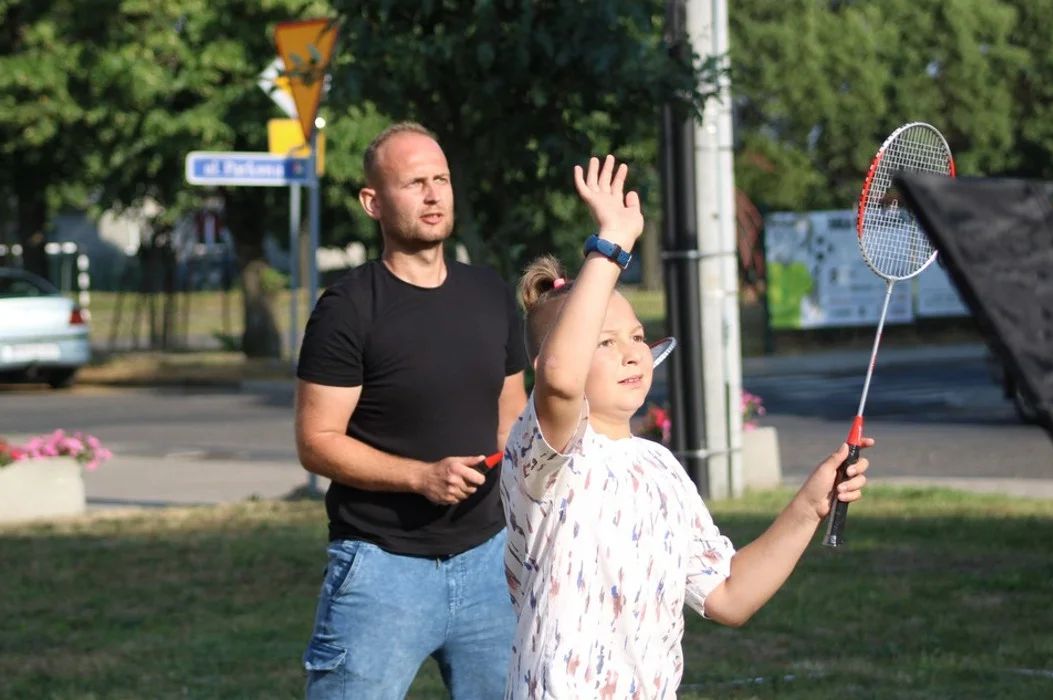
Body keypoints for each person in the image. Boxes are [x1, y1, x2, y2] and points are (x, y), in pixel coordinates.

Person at [499, 154, 872, 699]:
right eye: (604, 341)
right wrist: (612, 243)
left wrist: (809, 506)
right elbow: (559, 377)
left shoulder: (661, 467)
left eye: (636, 335)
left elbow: (729, 597)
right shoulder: (547, 455)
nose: (632, 353)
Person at [294, 121, 529, 699]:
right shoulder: (347, 308)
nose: (433, 194)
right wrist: (419, 477)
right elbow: (317, 441)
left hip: (489, 564)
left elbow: (512, 417)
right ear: (373, 202)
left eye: (441, 179)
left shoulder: (489, 294)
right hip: (381, 569)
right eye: (414, 182)